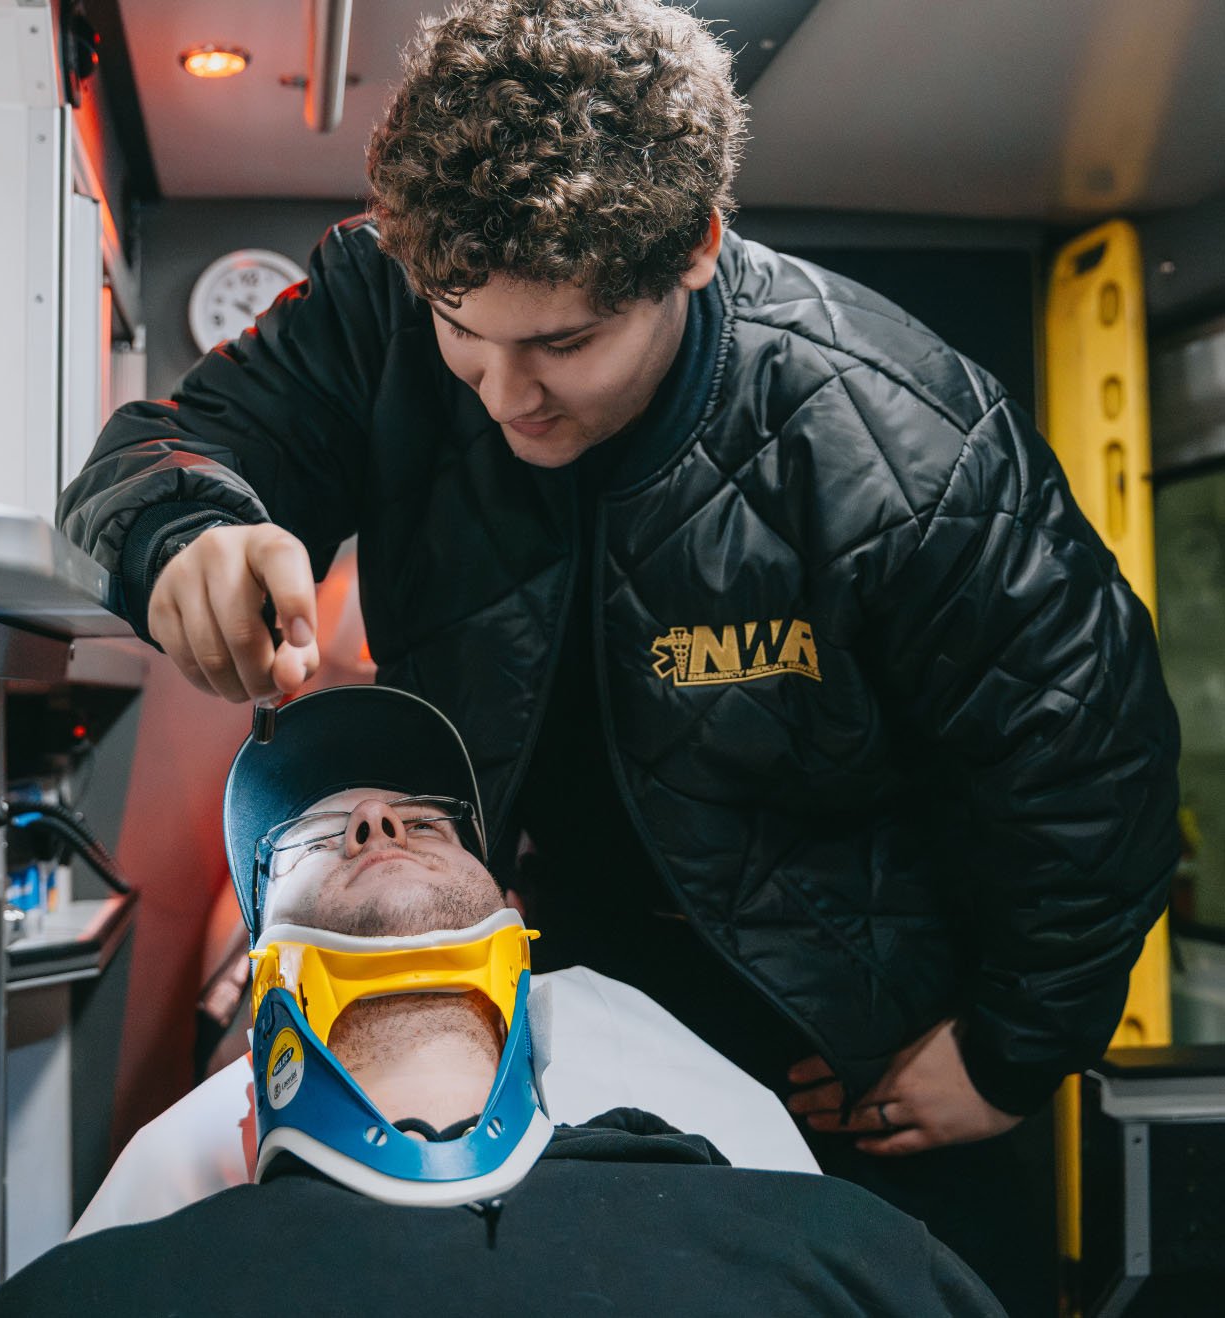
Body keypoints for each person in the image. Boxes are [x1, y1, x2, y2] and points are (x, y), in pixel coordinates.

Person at [57, 0, 1179, 1307]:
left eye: (563, 343)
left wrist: (1004, 1049)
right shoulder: (378, 297)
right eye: (459, 329)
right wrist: (187, 530)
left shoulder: (901, 446)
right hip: (573, 988)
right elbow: (161, 451)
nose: (500, 393)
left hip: (861, 1041)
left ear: (693, 247)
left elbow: (1091, 763)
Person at [0, 684, 1005, 1317]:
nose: (378, 818)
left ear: (511, 918)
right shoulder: (90, 1294)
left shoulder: (850, 1253)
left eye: (428, 823)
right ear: (262, 960)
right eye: (313, 835)